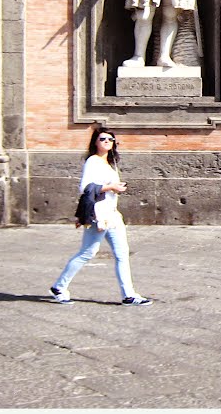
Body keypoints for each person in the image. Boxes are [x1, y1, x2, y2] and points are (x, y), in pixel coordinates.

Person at [50, 128, 152, 306]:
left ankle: (128, 295)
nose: (107, 141)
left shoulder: (110, 163)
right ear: (95, 142)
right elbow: (85, 187)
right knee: (87, 253)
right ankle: (59, 286)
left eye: (110, 139)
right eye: (102, 138)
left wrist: (115, 186)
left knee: (122, 254)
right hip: (99, 215)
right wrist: (111, 187)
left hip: (112, 214)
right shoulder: (93, 161)